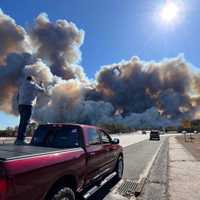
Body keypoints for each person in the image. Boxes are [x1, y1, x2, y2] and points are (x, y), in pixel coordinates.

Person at [15, 76, 45, 145]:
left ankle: (18, 139)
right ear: (32, 80)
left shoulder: (22, 86)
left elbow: (17, 97)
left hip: (21, 105)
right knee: (25, 123)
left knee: (22, 122)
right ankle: (21, 140)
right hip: (28, 105)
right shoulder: (34, 84)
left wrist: (19, 104)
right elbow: (43, 91)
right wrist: (41, 85)